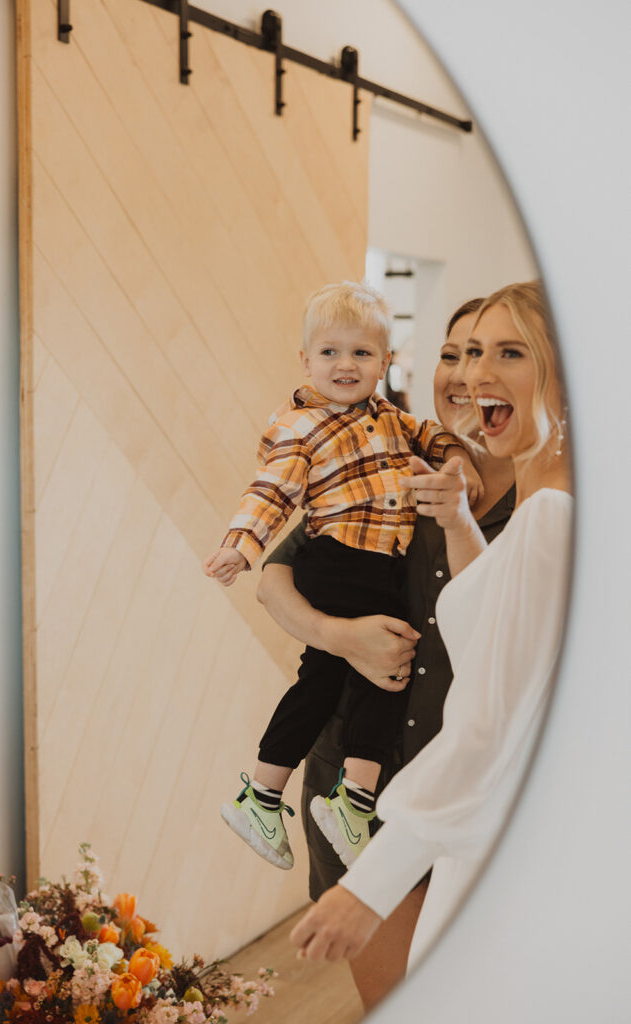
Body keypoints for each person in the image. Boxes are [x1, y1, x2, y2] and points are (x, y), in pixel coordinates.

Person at [287, 281, 572, 980]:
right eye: (468, 352)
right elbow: (495, 621)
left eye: (508, 352)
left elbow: (487, 722)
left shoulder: (549, 517)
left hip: (474, 824)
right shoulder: (538, 507)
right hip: (424, 803)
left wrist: (368, 888)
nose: (473, 374)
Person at [257, 296, 516, 1005]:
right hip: (358, 774)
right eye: (453, 354)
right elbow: (275, 575)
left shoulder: (548, 499)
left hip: (474, 790)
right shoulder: (376, 450)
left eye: (501, 353)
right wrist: (339, 636)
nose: (467, 375)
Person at [202, 281, 480, 872]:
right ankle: (351, 800)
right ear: (305, 360)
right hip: (341, 563)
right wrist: (240, 546)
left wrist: (455, 456)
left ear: (384, 361)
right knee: (390, 664)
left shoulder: (386, 416)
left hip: (368, 566)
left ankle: (267, 793)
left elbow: (429, 435)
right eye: (329, 352)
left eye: (361, 353)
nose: (344, 365)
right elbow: (271, 490)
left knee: (325, 682)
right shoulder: (304, 426)